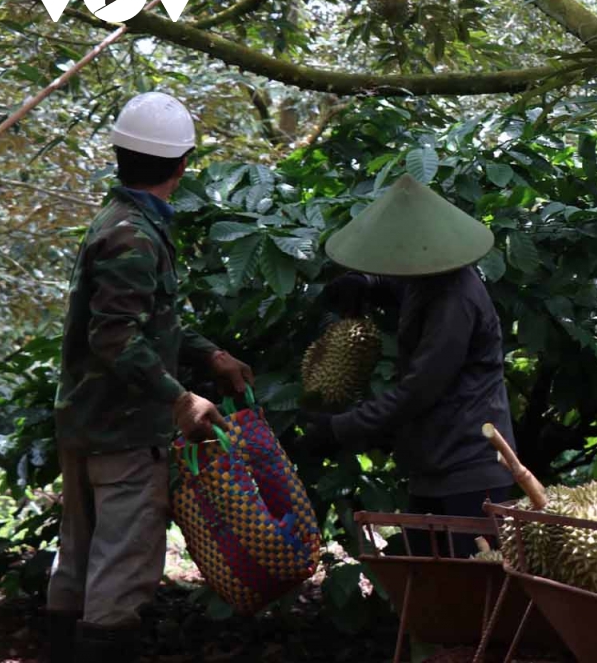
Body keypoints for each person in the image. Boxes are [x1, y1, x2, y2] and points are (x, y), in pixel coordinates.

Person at [46, 92, 254, 662]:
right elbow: (115, 337)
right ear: (183, 165)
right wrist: (179, 399)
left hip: (89, 421)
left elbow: (138, 321)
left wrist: (209, 355)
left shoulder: (118, 222)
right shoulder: (135, 235)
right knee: (121, 571)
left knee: (79, 560)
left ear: (119, 154)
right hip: (124, 431)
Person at [297, 174, 518, 559]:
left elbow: (419, 390)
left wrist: (340, 428)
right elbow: (399, 283)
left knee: (470, 594)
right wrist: (365, 282)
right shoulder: (427, 277)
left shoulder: (455, 301)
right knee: (430, 588)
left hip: (468, 467)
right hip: (433, 466)